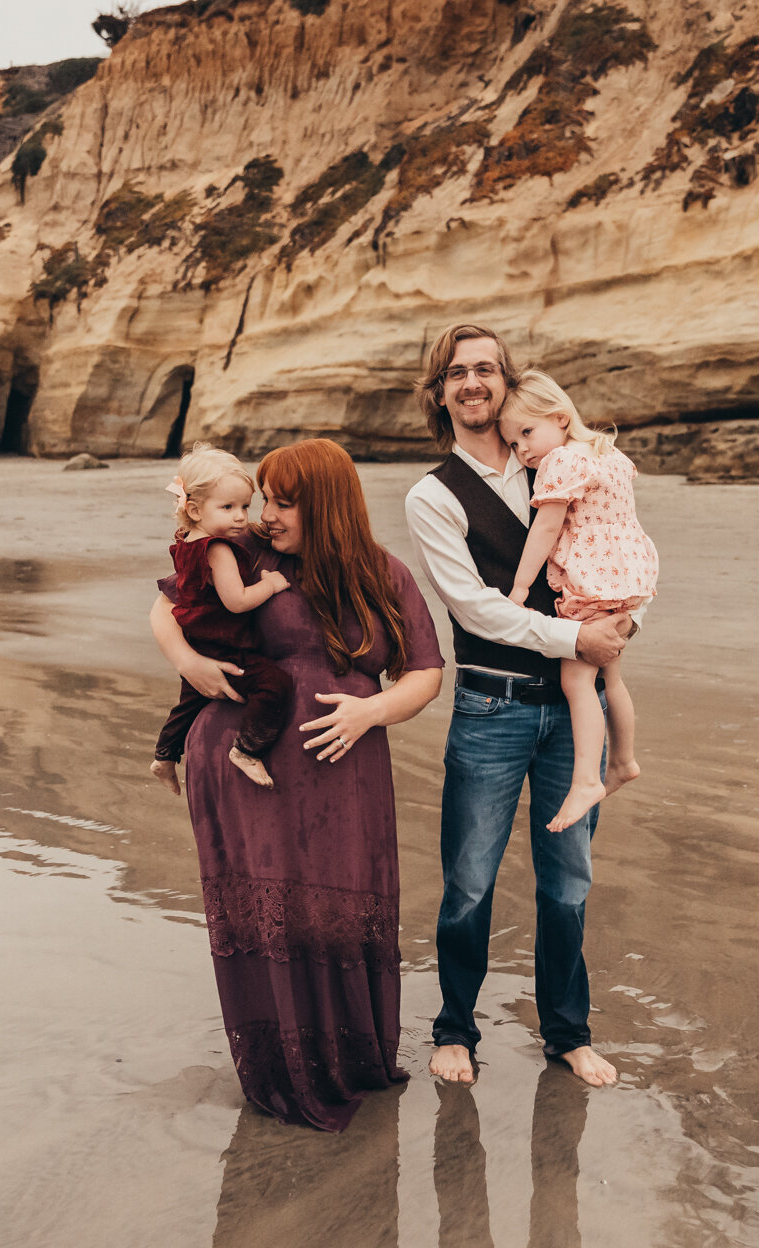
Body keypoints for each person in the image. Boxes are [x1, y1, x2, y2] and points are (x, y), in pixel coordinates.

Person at [151, 438, 445, 1131]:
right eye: (267, 501)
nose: (268, 514)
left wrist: (372, 710)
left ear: (327, 505)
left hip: (350, 776)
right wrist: (188, 661)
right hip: (246, 773)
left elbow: (427, 671)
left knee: (344, 905)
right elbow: (165, 607)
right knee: (271, 916)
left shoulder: (384, 573)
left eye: (285, 502)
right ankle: (282, 1067)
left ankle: (352, 1056)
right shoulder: (251, 554)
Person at [402, 323, 632, 1089]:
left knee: (568, 880)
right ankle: (455, 1030)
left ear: (507, 382)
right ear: (440, 391)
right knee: (469, 880)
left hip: (576, 710)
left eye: (487, 369)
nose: (473, 382)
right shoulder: (433, 494)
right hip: (491, 707)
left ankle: (568, 1032)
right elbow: (473, 611)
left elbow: (618, 549)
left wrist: (624, 626)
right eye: (458, 372)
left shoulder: (559, 463)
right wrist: (576, 638)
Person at [501, 370, 659, 832]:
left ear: (560, 417)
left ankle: (588, 777)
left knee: (576, 681)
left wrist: (519, 588)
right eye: (512, 444)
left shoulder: (562, 462)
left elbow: (547, 527)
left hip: (596, 579)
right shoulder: (609, 455)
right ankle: (623, 761)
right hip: (630, 577)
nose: (523, 450)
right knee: (610, 674)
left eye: (527, 433)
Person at [151, 445, 296, 792]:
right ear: (195, 509)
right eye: (228, 507)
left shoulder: (187, 541)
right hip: (224, 641)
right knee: (274, 685)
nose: (242, 518)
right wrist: (271, 585)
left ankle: (164, 756)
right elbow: (237, 601)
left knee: (189, 703)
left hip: (197, 637)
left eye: (246, 506)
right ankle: (247, 750)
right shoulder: (219, 549)